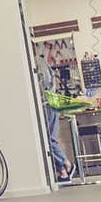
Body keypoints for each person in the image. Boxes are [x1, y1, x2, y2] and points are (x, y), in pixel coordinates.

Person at [38, 52, 75, 182]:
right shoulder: (42, 62)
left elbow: (43, 85)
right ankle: (63, 172)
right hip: (51, 102)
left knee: (47, 139)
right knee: (49, 139)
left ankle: (65, 163)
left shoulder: (37, 63)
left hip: (47, 103)